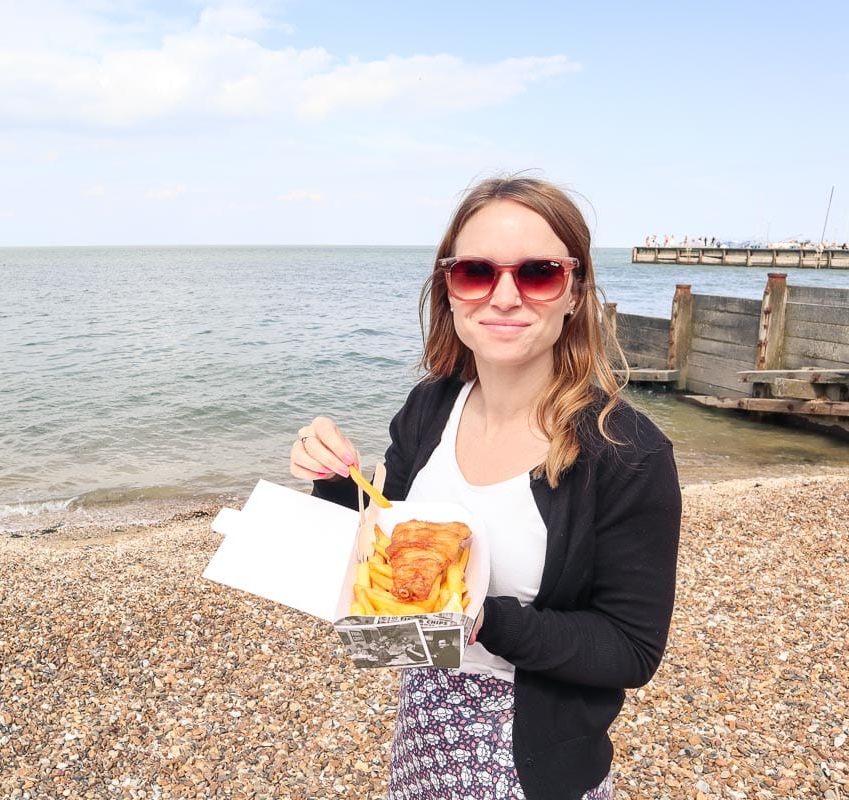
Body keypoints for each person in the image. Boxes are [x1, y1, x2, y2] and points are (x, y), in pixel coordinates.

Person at [288, 176, 681, 800]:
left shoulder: (627, 454)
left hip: (537, 759)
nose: (503, 297)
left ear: (575, 292)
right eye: (475, 272)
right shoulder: (430, 407)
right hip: (422, 723)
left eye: (538, 273)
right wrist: (337, 482)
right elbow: (388, 536)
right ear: (448, 288)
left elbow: (630, 649)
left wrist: (479, 619)